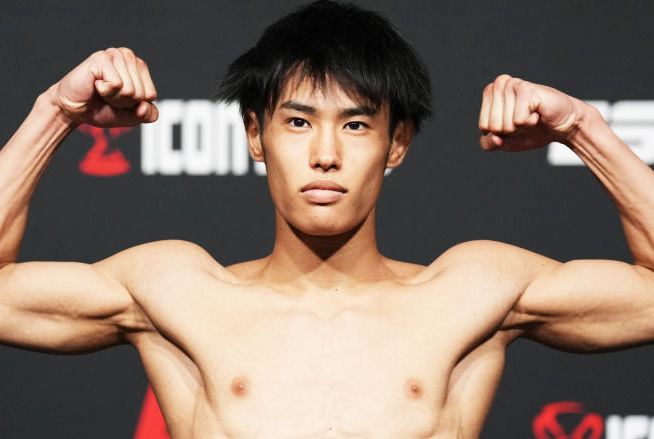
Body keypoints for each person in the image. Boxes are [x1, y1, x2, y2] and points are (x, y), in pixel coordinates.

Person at [2, 1, 654, 438]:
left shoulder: (472, 292)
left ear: (397, 142)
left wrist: (583, 127)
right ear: (254, 134)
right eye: (297, 121)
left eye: (356, 124)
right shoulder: (177, 291)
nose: (325, 154)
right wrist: (55, 112)